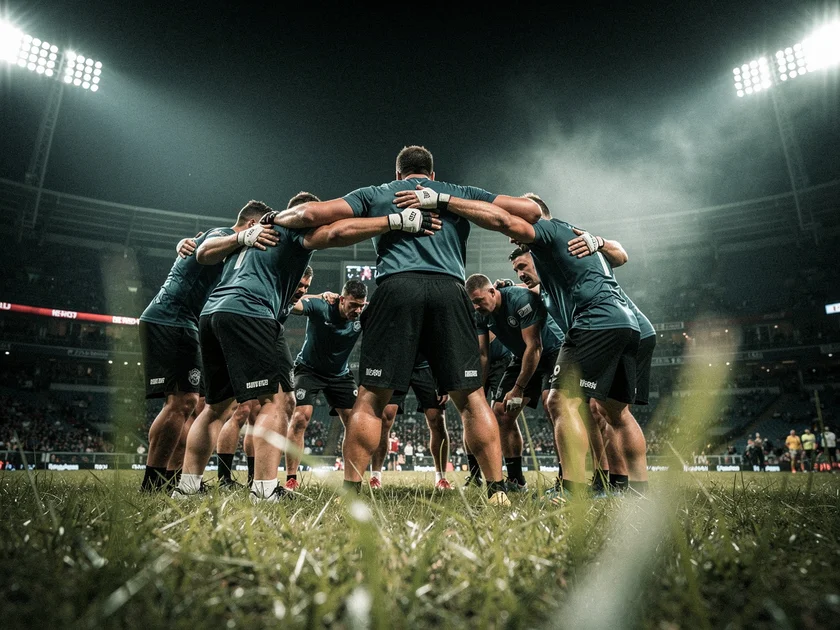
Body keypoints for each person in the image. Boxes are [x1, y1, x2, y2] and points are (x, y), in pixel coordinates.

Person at [263, 145, 541, 505]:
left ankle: (353, 493)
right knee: (472, 398)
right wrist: (443, 199)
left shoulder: (378, 193)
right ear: (432, 174)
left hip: (396, 289)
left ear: (398, 175)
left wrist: (276, 219)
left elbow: (315, 216)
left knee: (369, 401)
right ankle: (496, 491)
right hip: (449, 290)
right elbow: (529, 211)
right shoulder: (456, 192)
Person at [173, 193, 439, 502]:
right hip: (251, 312)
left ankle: (187, 486)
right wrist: (393, 222)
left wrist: (243, 236)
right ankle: (265, 489)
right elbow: (337, 233)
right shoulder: (291, 229)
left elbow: (203, 254)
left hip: (213, 313)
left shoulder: (246, 236)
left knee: (215, 408)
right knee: (274, 402)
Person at [395, 187, 648, 500]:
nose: (515, 237)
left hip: (594, 321)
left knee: (560, 401)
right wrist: (600, 242)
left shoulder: (545, 230)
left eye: (521, 221)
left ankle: (572, 489)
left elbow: (501, 220)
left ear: (533, 214)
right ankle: (637, 491)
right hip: (625, 323)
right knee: (617, 413)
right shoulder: (572, 235)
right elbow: (621, 255)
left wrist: (442, 201)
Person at [138, 215, 274, 492]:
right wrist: (236, 238)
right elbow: (204, 250)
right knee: (183, 402)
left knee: (188, 404)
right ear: (251, 224)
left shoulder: (221, 244)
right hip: (172, 319)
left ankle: (170, 479)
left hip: (180, 321)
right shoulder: (222, 235)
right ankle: (154, 484)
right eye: (261, 228)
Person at [215, 269, 317, 490]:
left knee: (255, 414)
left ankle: (255, 479)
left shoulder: (288, 299)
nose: (302, 290)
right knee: (241, 410)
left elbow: (303, 299)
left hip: (257, 336)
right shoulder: (271, 291)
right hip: (247, 335)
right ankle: (224, 479)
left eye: (306, 286)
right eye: (299, 284)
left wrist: (322, 295)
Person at [466, 274, 565, 492]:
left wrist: (518, 388)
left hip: (552, 353)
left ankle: (565, 478)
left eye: (480, 300)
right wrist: (480, 390)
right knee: (500, 411)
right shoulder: (482, 314)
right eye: (473, 302)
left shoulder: (521, 300)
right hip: (522, 356)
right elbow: (483, 354)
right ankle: (516, 480)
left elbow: (535, 346)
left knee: (552, 404)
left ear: (492, 291)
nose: (477, 306)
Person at [284, 279, 368, 491]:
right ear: (341, 299)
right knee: (300, 416)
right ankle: (291, 478)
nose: (357, 311)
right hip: (309, 369)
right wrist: (318, 294)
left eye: (361, 306)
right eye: (353, 305)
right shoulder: (322, 306)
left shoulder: (364, 315)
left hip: (340, 374)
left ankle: (352, 481)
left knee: (354, 422)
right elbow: (290, 303)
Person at [371, 357, 452, 490]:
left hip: (427, 365)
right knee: (385, 417)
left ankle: (441, 478)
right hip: (398, 364)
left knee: (437, 419)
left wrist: (443, 380)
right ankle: (375, 477)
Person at [465, 334, 512, 487]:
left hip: (502, 360)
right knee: (471, 414)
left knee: (503, 414)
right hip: (473, 361)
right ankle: (474, 475)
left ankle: (514, 477)